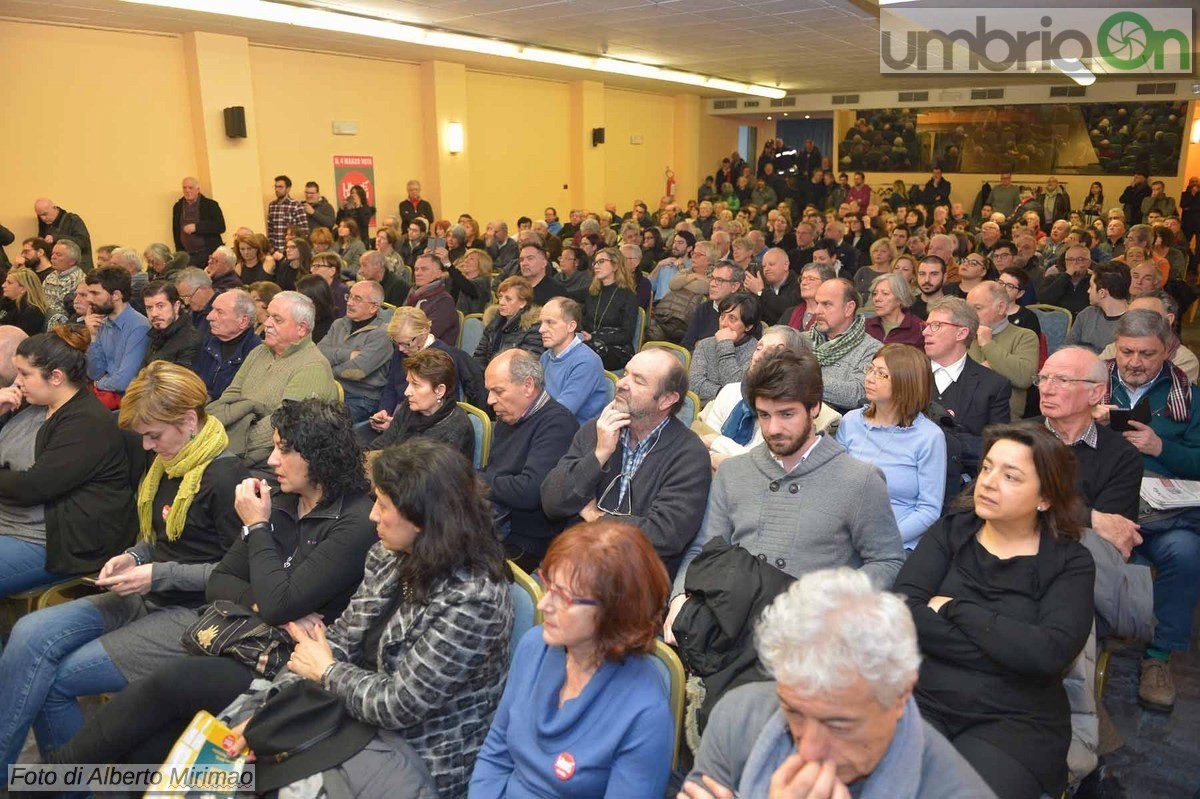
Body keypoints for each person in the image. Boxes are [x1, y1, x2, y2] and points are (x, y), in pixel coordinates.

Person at [46, 398, 379, 769]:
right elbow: (220, 581)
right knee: (144, 749)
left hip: (286, 665)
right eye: (273, 447)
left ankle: (41, 781)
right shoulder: (284, 500)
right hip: (240, 638)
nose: (271, 460)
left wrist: (257, 528)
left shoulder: (355, 521)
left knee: (168, 683)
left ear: (321, 456)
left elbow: (278, 603)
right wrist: (267, 603)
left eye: (284, 450)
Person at [222, 439, 511, 797]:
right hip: (352, 712)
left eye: (383, 504)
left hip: (417, 752)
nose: (372, 515)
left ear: (423, 519)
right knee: (234, 747)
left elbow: (399, 705)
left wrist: (326, 672)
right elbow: (340, 640)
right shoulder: (389, 554)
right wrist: (271, 713)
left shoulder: (474, 598)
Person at [0, 362, 246, 766]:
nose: (147, 447)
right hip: (149, 592)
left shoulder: (225, 477)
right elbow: (159, 540)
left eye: (153, 436)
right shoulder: (171, 462)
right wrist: (133, 556)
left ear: (189, 420)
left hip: (194, 614)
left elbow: (236, 577)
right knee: (29, 633)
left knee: (56, 680)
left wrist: (155, 573)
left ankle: (59, 788)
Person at [894, 423, 1094, 799]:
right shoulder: (952, 531)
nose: (987, 482)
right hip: (923, 698)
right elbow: (903, 611)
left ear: (1045, 498)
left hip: (1014, 722)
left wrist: (954, 608)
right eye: (986, 468)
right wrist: (1008, 647)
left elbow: (1048, 653)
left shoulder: (1070, 562)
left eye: (1010, 476)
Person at [681, 569, 995, 799]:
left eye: (840, 724)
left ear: (900, 696)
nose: (809, 749)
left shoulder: (955, 790)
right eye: (794, 713)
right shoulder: (739, 715)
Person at [470, 520, 673, 797]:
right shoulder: (534, 647)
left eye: (563, 597)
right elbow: (495, 753)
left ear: (614, 611)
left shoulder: (645, 712)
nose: (543, 604)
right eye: (548, 585)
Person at [1098, 310, 1200, 713]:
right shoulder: (1093, 383)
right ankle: (1101, 631)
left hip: (1166, 514)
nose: (1135, 363)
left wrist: (1162, 449)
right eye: (1126, 352)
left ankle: (1157, 657)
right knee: (1102, 547)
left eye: (1147, 354)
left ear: (1168, 351)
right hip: (1104, 503)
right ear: (1115, 346)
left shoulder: (1188, 396)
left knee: (1186, 553)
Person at [541, 348, 711, 577]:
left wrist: (595, 518)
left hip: (635, 583)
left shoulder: (689, 454)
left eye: (638, 380)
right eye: (626, 374)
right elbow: (552, 501)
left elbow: (663, 535)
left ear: (666, 400)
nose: (622, 383)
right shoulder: (596, 430)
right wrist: (599, 454)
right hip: (576, 565)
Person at [0, 327, 137, 597]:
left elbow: (32, 487)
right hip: (14, 522)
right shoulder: (32, 404)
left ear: (56, 377)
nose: (17, 382)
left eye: (25, 374)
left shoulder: (85, 423)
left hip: (52, 539)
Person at [207, 291, 337, 476]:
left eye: (277, 319)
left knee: (208, 476)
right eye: (268, 316)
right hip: (233, 442)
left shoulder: (312, 367)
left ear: (301, 329)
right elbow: (230, 396)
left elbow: (282, 427)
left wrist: (222, 442)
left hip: (274, 462)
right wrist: (209, 428)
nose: (267, 324)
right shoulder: (259, 351)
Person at [837, 344, 946, 549]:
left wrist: (882, 539)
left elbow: (928, 510)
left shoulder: (929, 437)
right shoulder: (850, 421)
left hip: (896, 541)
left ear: (906, 382)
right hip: (845, 535)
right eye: (870, 369)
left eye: (881, 374)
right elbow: (835, 484)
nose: (869, 378)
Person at [923, 297, 1011, 476]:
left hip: (964, 484)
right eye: (926, 325)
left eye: (936, 325)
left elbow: (995, 449)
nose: (925, 332)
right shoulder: (909, 374)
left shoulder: (994, 385)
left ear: (961, 333)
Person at [367, 348, 474, 460]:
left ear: (439, 390)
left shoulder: (456, 428)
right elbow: (385, 441)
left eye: (416, 385)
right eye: (408, 383)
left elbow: (430, 475)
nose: (406, 392)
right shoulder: (410, 406)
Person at [317, 280, 394, 422]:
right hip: (330, 389)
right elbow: (319, 352)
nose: (350, 303)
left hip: (361, 398)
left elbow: (358, 371)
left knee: (324, 425)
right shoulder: (339, 323)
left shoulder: (383, 334)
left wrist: (326, 368)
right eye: (350, 296)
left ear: (373, 307)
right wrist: (347, 355)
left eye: (357, 299)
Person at [966, 282, 1038, 419]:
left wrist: (987, 343)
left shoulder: (1024, 336)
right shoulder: (964, 336)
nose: (971, 315)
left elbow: (1024, 378)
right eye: (968, 309)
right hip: (963, 417)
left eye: (978, 308)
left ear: (1001, 307)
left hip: (1004, 421)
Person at [809, 278, 882, 413]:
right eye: (817, 303)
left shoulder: (872, 349)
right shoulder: (800, 341)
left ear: (849, 308)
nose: (817, 311)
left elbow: (859, 393)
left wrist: (803, 380)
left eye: (826, 304)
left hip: (839, 429)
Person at [82, 265, 151, 406]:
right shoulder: (103, 323)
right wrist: (93, 336)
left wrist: (98, 383)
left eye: (95, 293)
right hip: (107, 397)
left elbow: (124, 382)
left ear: (116, 295)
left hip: (130, 403)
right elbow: (94, 372)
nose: (89, 299)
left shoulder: (139, 327)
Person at [538, 297, 608, 425]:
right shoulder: (546, 357)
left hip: (574, 436)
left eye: (550, 322)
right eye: (541, 322)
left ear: (571, 326)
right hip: (548, 427)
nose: (541, 329)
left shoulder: (587, 362)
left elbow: (563, 412)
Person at [688, 292, 760, 403]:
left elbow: (737, 389)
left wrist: (725, 345)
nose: (724, 323)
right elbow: (694, 384)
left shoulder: (757, 352)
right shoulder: (705, 345)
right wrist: (723, 393)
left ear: (748, 326)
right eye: (722, 316)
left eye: (732, 319)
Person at [192, 289, 261, 401]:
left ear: (243, 321)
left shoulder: (256, 353)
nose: (209, 316)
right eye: (212, 309)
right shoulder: (207, 343)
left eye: (219, 312)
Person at [581, 247, 640, 371]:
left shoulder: (628, 296)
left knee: (584, 356)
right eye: (595, 262)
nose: (596, 266)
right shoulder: (592, 292)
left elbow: (626, 335)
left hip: (618, 349)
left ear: (615, 265)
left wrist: (594, 338)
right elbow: (586, 322)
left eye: (601, 261)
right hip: (592, 344)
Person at [474, 275, 543, 369]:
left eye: (508, 299)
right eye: (500, 297)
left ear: (523, 303)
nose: (501, 302)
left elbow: (526, 366)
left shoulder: (533, 328)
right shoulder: (494, 323)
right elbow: (479, 355)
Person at [1063, 261, 1130, 353]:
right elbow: (1066, 350)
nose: (1088, 291)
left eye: (1091, 286)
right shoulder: (1086, 315)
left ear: (1102, 292)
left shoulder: (1133, 322)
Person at [682, 261, 743, 351]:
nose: (712, 284)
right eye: (712, 278)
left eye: (719, 280)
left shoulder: (745, 312)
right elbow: (686, 345)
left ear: (734, 286)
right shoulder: (703, 309)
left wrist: (702, 345)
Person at [141, 279, 201, 368]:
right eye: (149, 308)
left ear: (176, 306)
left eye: (160, 306)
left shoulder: (190, 341)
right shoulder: (156, 333)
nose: (154, 314)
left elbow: (178, 381)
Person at [407, 252, 460, 345]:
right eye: (416, 269)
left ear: (439, 274)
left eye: (424, 269)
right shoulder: (414, 295)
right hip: (408, 347)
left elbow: (427, 334)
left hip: (433, 355)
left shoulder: (444, 301)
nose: (418, 273)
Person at [172, 177, 226, 267]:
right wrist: (180, 253)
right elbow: (176, 230)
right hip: (188, 256)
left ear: (198, 189)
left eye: (190, 188)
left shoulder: (210, 205)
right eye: (184, 188)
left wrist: (197, 227)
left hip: (208, 254)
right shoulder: (178, 207)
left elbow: (220, 226)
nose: (187, 190)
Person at [865, 272, 924, 349]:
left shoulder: (919, 328)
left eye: (885, 293)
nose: (877, 299)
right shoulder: (865, 326)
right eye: (875, 294)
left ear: (900, 299)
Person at [266, 175, 309, 256]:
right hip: (276, 252)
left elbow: (304, 231)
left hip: (291, 251)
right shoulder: (272, 205)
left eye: (280, 187)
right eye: (275, 187)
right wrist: (271, 248)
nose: (277, 189)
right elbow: (270, 230)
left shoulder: (296, 205)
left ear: (288, 189)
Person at [0, 267, 49, 335]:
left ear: (23, 288)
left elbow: (19, 338)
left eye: (9, 283)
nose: (3, 285)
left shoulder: (32, 312)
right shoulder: (5, 302)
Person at [310, 251, 350, 318]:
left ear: (332, 271)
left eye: (317, 266)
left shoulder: (342, 291)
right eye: (312, 266)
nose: (311, 270)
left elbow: (342, 318)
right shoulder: (315, 289)